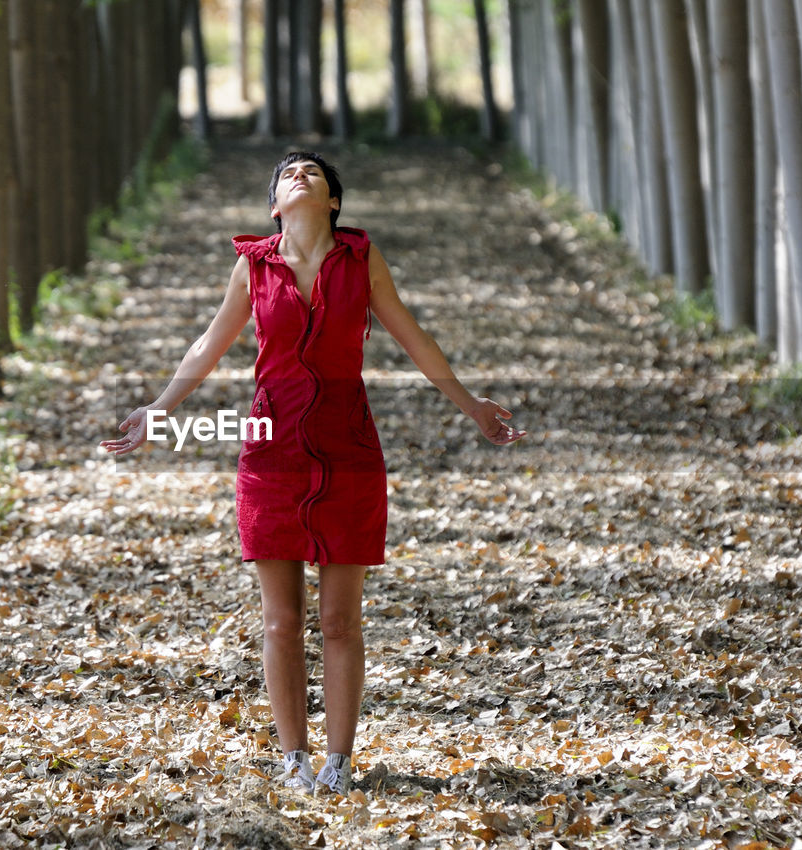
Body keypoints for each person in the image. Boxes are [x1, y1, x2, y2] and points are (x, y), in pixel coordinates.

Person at [101, 152, 523, 796]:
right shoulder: (254, 265)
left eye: (313, 173)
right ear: (275, 204)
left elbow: (414, 338)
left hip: (348, 450)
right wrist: (158, 412)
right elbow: (206, 345)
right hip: (270, 454)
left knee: (339, 622)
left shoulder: (361, 259)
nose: (300, 175)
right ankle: (293, 757)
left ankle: (338, 762)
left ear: (332, 202)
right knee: (280, 621)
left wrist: (473, 407)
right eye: (288, 173)